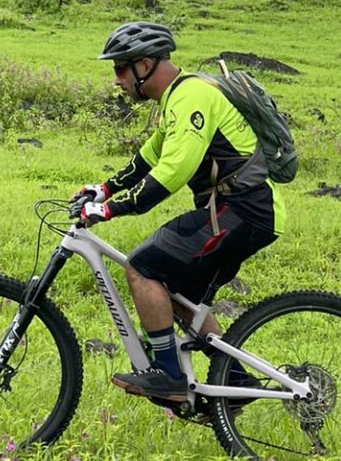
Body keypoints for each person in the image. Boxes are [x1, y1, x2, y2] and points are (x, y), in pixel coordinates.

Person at [72, 21, 285, 402]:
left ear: (145, 64)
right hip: (238, 211)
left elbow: (171, 173)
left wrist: (108, 210)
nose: (116, 79)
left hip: (244, 210)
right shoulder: (173, 101)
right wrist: (103, 188)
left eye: (120, 68)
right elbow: (149, 158)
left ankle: (169, 375)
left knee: (142, 266)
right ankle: (234, 382)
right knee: (181, 300)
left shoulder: (191, 97)